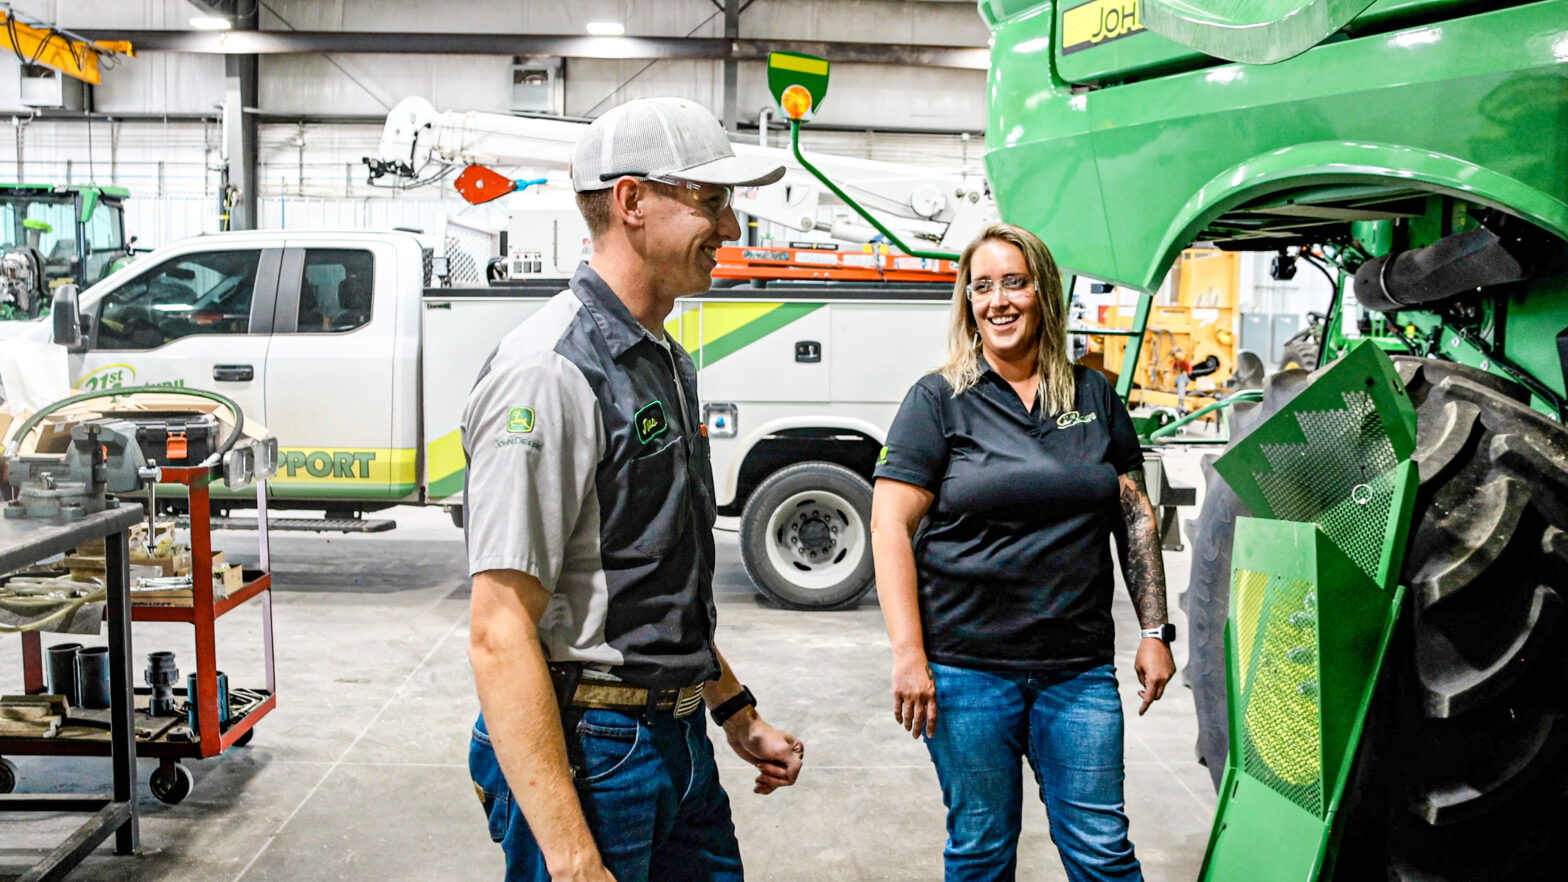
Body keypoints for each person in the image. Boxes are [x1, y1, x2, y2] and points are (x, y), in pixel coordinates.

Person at [463, 97, 806, 882]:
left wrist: (734, 711)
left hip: (676, 740)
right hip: (595, 753)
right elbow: (498, 633)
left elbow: (656, 580)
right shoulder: (549, 371)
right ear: (631, 202)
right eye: (711, 203)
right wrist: (573, 858)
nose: (730, 231)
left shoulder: (660, 358)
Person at [869, 222, 1176, 881]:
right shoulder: (938, 400)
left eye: (1014, 282)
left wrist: (1154, 630)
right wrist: (908, 656)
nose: (997, 300)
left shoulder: (1093, 396)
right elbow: (888, 525)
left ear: (1044, 294)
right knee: (980, 853)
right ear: (968, 302)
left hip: (1079, 672)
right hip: (966, 673)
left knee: (1103, 852)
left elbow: (1134, 513)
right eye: (982, 287)